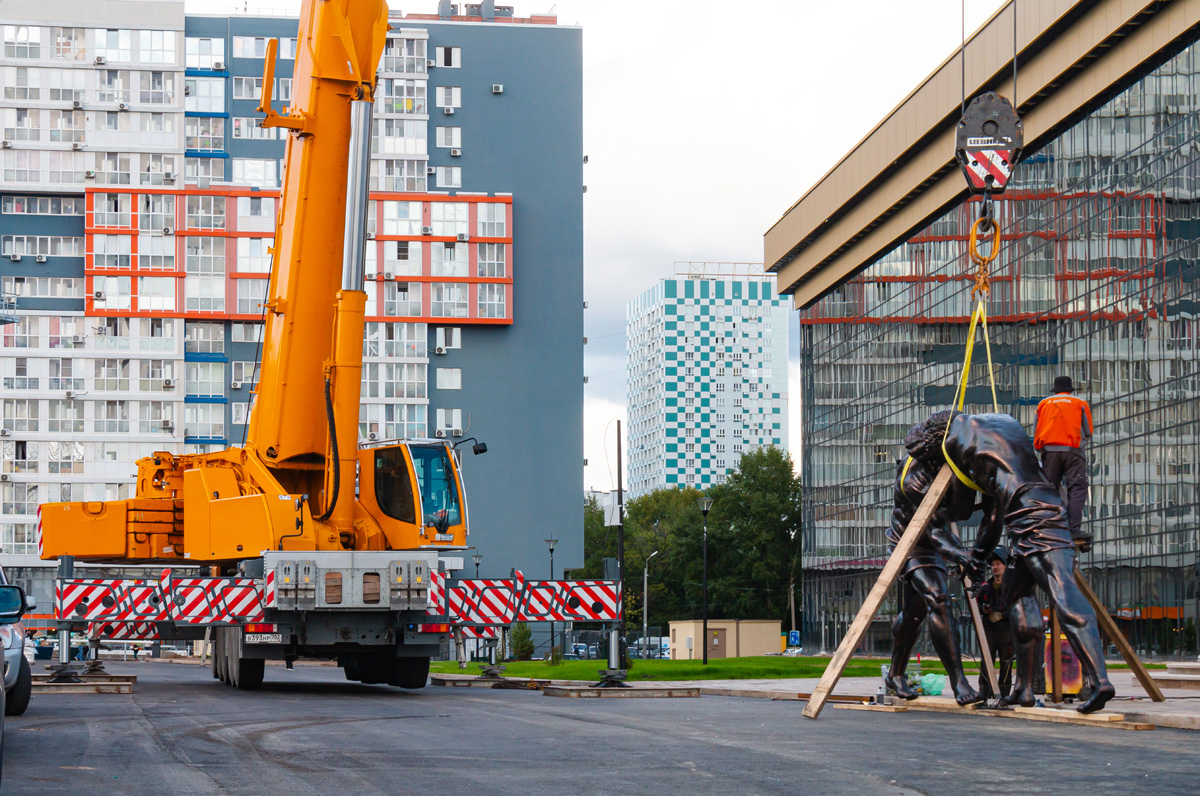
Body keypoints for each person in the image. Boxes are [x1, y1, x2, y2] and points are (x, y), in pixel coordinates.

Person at [904, 409, 1115, 714]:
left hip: (1032, 515)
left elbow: (965, 513)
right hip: (1035, 506)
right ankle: (1024, 690)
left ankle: (1099, 680)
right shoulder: (999, 422)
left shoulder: (953, 446)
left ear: (934, 441)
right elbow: (995, 513)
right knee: (1015, 592)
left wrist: (968, 554)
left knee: (1061, 587)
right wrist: (978, 555)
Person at [883, 447, 986, 706]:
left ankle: (895, 674)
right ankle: (959, 681)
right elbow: (933, 530)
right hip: (910, 542)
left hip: (933, 543)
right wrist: (961, 555)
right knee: (938, 599)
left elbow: (955, 514)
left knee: (913, 613)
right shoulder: (914, 477)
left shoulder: (955, 467)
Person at [1034, 376, 1093, 548]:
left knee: (1049, 491)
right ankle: (1073, 529)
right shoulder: (1080, 403)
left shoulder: (1043, 404)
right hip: (1073, 451)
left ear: (1055, 390)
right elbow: (1088, 430)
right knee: (1077, 488)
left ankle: (1047, 529)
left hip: (1049, 452)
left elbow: (1036, 428)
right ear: (1070, 389)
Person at [975, 547, 1015, 699]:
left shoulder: (1011, 587)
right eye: (993, 565)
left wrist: (1002, 615)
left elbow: (1017, 608)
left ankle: (1004, 695)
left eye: (998, 564)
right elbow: (975, 606)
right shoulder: (985, 588)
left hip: (1006, 631)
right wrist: (984, 610)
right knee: (986, 662)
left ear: (1005, 566)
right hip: (989, 630)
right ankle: (984, 693)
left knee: (1006, 663)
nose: (995, 567)